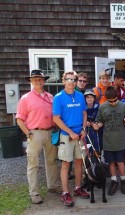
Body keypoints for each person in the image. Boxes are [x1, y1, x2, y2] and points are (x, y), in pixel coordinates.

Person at [16, 69, 60, 204]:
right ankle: (34, 192)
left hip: (50, 132)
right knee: (33, 164)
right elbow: (19, 119)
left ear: (44, 81)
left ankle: (52, 186)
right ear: (31, 81)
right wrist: (28, 134)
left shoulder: (50, 97)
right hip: (34, 133)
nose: (38, 81)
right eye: (35, 79)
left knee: (52, 161)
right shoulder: (25, 98)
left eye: (40, 79)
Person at [53, 71, 90, 207]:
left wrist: (83, 129)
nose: (71, 82)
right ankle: (65, 192)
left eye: (74, 79)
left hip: (80, 134)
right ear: (63, 81)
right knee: (66, 164)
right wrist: (70, 132)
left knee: (79, 162)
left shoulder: (80, 95)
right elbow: (56, 118)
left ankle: (77, 188)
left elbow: (84, 113)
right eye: (68, 79)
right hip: (66, 135)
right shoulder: (58, 97)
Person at [94, 86, 125, 195]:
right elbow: (100, 121)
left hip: (120, 139)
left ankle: (124, 181)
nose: (113, 103)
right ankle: (114, 181)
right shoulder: (102, 107)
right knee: (111, 162)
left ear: (117, 97)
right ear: (106, 99)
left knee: (120, 162)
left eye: (115, 100)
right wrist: (97, 125)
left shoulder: (123, 106)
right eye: (111, 101)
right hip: (108, 140)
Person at [84, 89, 102, 153]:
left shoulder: (98, 106)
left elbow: (101, 118)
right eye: (87, 97)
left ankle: (97, 158)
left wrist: (98, 124)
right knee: (86, 147)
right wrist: (84, 122)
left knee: (97, 145)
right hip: (84, 130)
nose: (89, 99)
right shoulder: (81, 107)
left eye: (91, 97)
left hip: (96, 130)